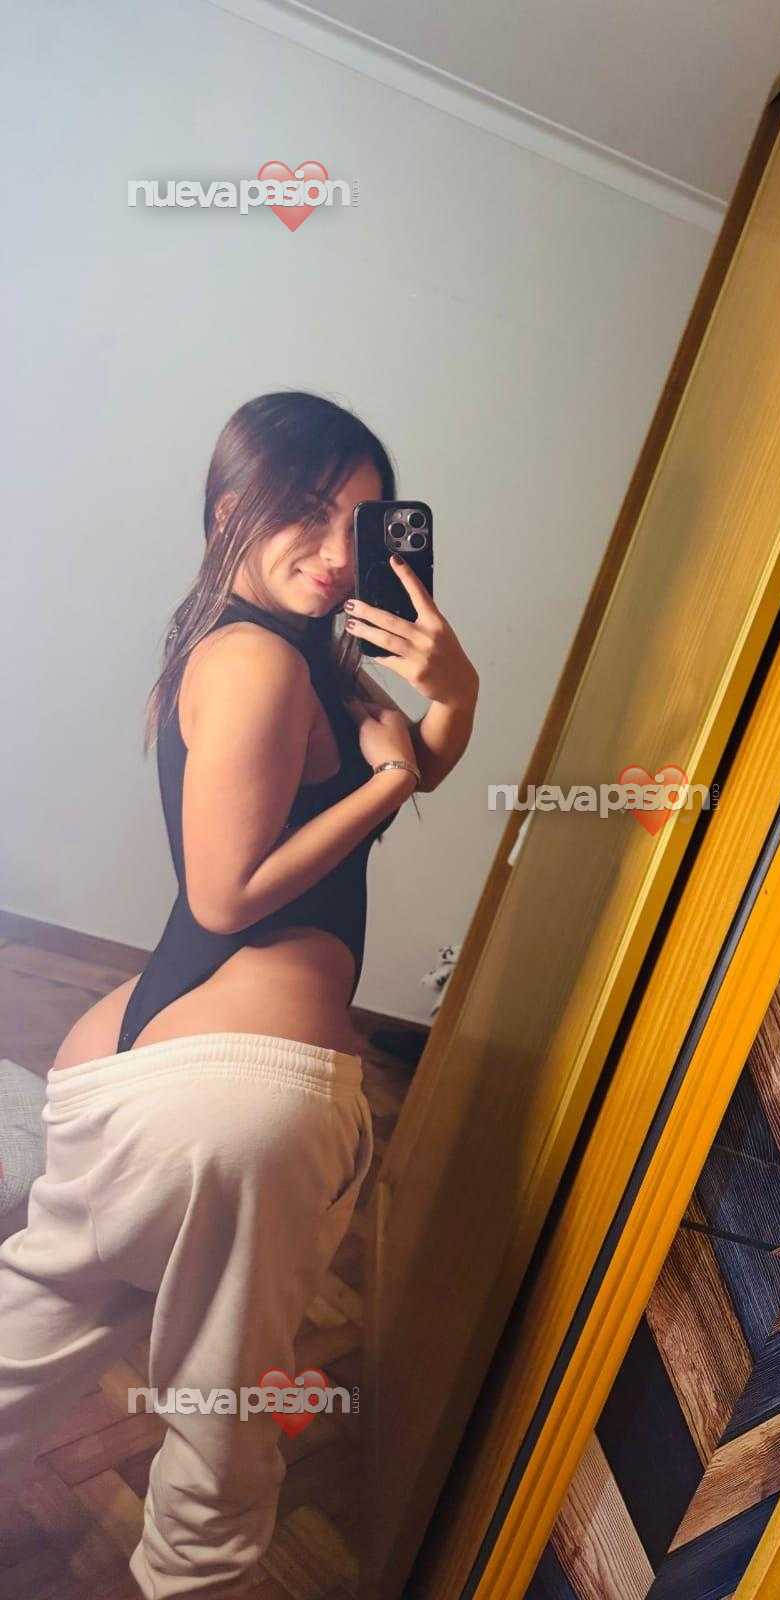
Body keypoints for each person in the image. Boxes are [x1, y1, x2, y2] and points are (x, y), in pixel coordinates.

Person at [0, 391, 479, 1595]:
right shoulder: (263, 661)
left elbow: (410, 760)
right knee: (222, 1422)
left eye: (359, 525)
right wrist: (383, 787)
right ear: (229, 513)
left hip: (148, 1075)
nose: (334, 552)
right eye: (305, 514)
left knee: (35, 1330)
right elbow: (225, 894)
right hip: (235, 1101)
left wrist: (452, 696)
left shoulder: (285, 651)